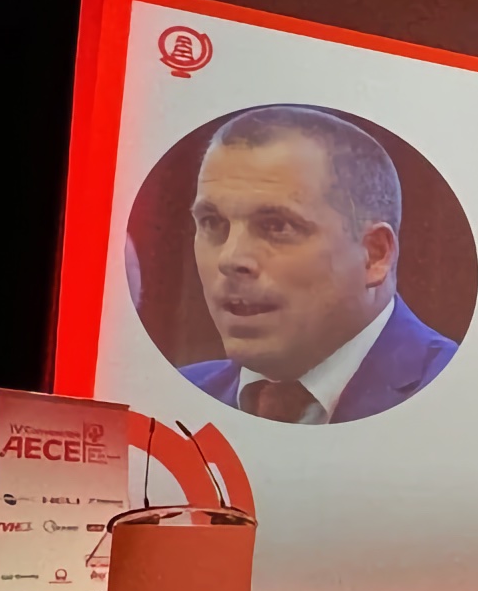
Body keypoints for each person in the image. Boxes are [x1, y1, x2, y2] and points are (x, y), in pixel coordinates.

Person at [179, 105, 457, 424]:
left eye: (276, 226)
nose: (230, 259)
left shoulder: (461, 402)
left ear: (375, 254)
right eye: (213, 222)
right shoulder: (177, 397)